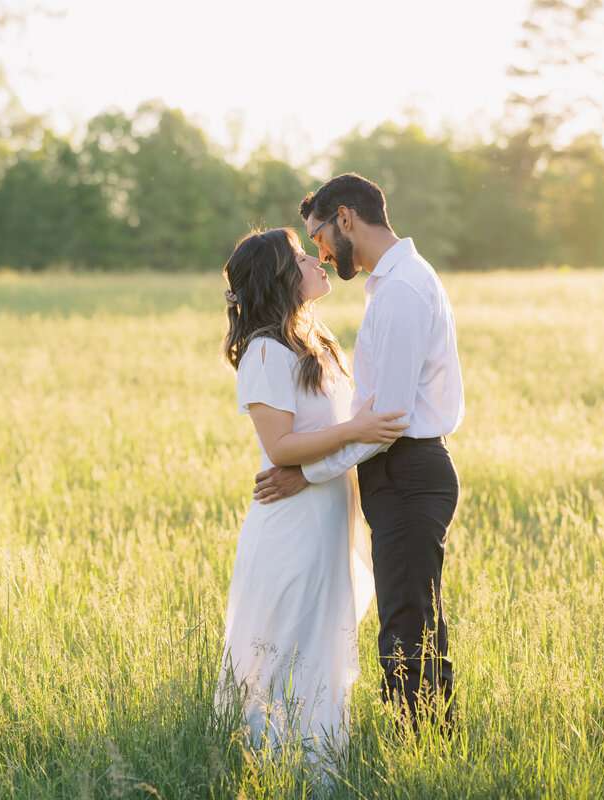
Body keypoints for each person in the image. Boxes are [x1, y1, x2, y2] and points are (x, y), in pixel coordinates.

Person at [253, 173, 465, 732]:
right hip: (405, 471)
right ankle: (433, 741)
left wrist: (307, 473)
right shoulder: (396, 283)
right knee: (417, 616)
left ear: (345, 218)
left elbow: (386, 423)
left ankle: (422, 746)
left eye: (318, 235)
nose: (319, 251)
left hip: (407, 470)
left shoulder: (398, 292)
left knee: (405, 620)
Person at [218, 227, 408, 757]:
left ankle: (321, 757)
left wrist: (336, 450)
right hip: (292, 523)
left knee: (324, 637)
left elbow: (333, 430)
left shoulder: (315, 341)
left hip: (325, 509)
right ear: (281, 277)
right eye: (302, 257)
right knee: (285, 641)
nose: (318, 260)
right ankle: (268, 765)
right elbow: (280, 447)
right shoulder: (262, 352)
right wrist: (356, 431)